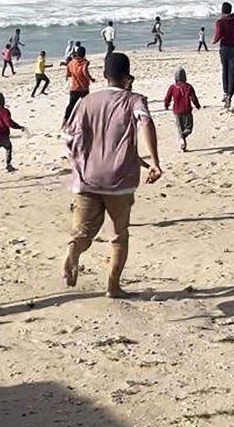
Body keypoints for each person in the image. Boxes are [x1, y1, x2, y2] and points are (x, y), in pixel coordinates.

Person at [63, 51, 162, 298]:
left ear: (105, 75)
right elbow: (146, 123)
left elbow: (68, 138)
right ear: (127, 78)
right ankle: (113, 286)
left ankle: (74, 251)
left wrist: (80, 164)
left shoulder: (85, 102)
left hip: (87, 178)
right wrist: (154, 162)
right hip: (119, 181)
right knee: (119, 235)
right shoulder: (134, 100)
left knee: (83, 232)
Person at [213, 2, 234, 109]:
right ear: (231, 10)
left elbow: (217, 36)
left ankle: (225, 93)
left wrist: (213, 41)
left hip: (224, 49)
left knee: (225, 71)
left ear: (222, 11)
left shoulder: (220, 22)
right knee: (232, 74)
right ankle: (230, 96)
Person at [0, 93, 24, 182]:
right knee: (8, 148)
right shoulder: (4, 111)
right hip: (3, 136)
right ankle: (8, 164)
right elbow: (9, 123)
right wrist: (20, 127)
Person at [164, 67, 201, 150]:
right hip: (187, 110)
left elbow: (167, 98)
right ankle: (183, 141)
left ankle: (182, 140)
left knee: (180, 129)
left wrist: (166, 105)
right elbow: (193, 98)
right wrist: (197, 105)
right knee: (189, 128)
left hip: (177, 111)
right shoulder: (188, 87)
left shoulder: (172, 88)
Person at [63, 46, 95, 123]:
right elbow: (85, 72)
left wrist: (70, 75)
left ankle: (66, 120)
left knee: (71, 105)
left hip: (74, 87)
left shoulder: (72, 62)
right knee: (86, 104)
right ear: (84, 54)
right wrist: (91, 78)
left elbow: (68, 73)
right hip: (84, 88)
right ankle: (86, 120)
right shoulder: (84, 63)